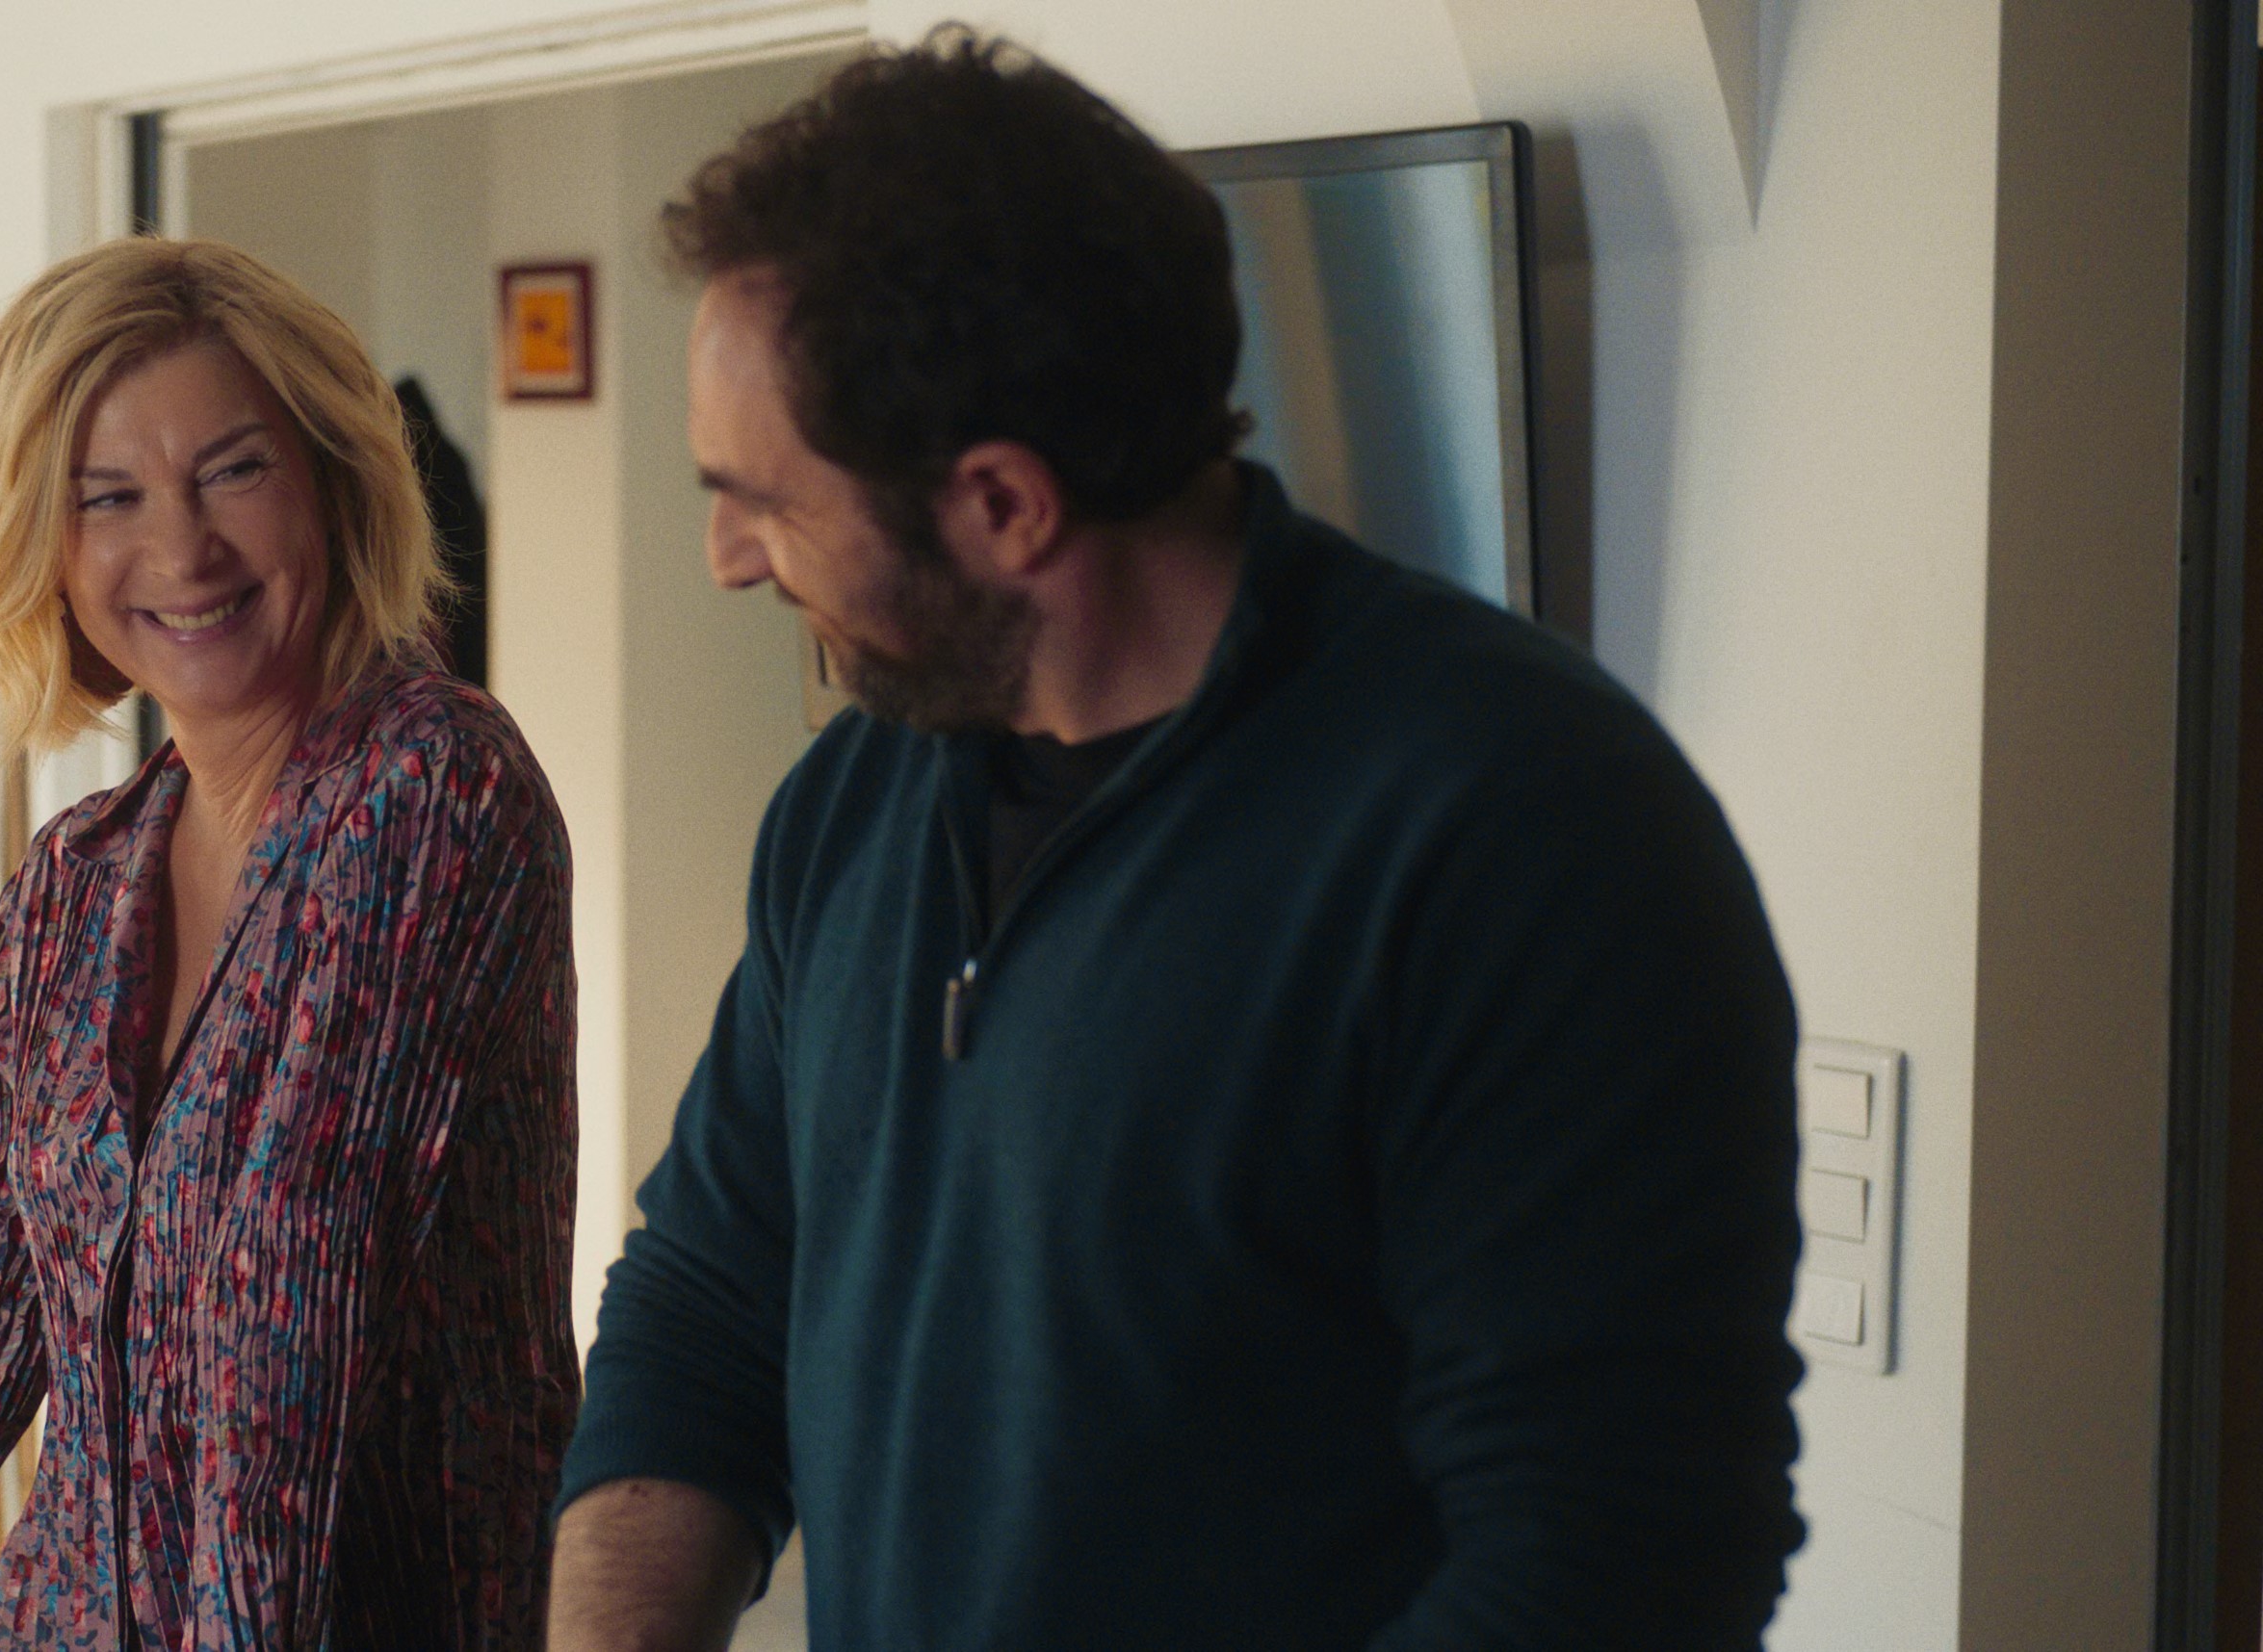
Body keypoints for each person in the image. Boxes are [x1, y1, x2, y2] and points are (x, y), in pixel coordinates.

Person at [551, 31, 1805, 1652]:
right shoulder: (857, 801)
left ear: (1005, 507)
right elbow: (712, 1303)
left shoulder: (1521, 827)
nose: (727, 556)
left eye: (767, 499)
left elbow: (1613, 1554)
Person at [0, 237, 579, 1649]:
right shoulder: (74, 888)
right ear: (49, 546)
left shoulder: (431, 789)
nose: (183, 551)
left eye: (235, 472)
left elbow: (290, 1337)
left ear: (331, 479)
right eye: (108, 498)